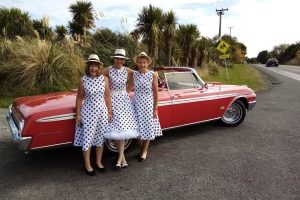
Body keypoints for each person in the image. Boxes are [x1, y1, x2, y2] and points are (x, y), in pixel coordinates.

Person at [74, 54, 112, 176]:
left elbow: (107, 97)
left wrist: (110, 111)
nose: (94, 68)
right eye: (91, 65)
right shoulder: (83, 80)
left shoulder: (104, 79)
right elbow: (79, 99)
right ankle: (87, 164)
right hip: (88, 113)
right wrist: (78, 115)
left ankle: (99, 162)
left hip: (102, 112)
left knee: (100, 138)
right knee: (88, 138)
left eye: (96, 66)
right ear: (88, 66)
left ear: (99, 67)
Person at [102, 49, 139, 169]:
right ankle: (122, 159)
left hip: (123, 100)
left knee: (122, 128)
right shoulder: (108, 70)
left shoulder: (127, 70)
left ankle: (120, 158)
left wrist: (127, 90)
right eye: (117, 58)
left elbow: (139, 74)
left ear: (124, 61)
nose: (119, 61)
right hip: (112, 99)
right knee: (117, 129)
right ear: (114, 59)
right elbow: (97, 77)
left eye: (121, 59)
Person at [132, 52, 162, 162]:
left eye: (144, 62)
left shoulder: (152, 75)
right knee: (137, 128)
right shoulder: (134, 74)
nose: (142, 64)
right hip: (136, 104)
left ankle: (144, 151)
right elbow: (128, 87)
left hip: (148, 105)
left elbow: (155, 92)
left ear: (148, 63)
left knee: (148, 127)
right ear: (137, 63)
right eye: (140, 62)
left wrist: (155, 108)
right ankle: (142, 149)